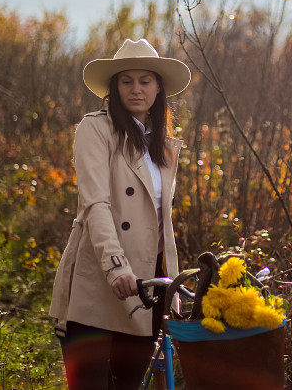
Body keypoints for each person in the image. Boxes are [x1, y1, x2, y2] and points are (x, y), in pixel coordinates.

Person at [49, 38, 191, 389]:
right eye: (126, 81)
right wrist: (115, 265)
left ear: (159, 88)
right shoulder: (95, 129)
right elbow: (96, 204)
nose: (136, 89)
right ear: (114, 88)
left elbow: (160, 224)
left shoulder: (164, 147)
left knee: (128, 385)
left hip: (144, 287)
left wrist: (172, 282)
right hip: (101, 279)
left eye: (145, 80)